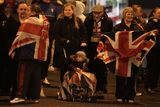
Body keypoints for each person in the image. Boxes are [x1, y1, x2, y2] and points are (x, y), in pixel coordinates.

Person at [9, 4, 49, 104]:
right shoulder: (45, 21)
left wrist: (12, 49)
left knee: (22, 74)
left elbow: (20, 36)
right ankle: (34, 96)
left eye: (28, 10)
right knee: (35, 76)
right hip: (40, 53)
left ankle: (20, 95)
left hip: (28, 52)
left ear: (32, 11)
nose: (27, 12)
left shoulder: (30, 21)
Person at [113, 6, 144, 103]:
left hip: (133, 55)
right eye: (128, 14)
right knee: (120, 76)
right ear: (124, 15)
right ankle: (120, 95)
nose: (130, 16)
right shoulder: (117, 27)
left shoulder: (138, 27)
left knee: (132, 76)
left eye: (131, 14)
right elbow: (113, 40)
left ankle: (130, 96)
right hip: (121, 55)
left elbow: (142, 39)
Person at [0, 2, 30, 97]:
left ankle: (17, 92)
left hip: (24, 52)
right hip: (10, 51)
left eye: (25, 9)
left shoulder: (30, 22)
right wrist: (10, 50)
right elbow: (4, 36)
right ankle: (5, 89)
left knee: (20, 73)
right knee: (9, 71)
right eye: (21, 9)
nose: (23, 11)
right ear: (17, 10)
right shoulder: (12, 20)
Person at [53, 2, 87, 83]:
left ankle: (73, 88)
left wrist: (83, 41)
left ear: (73, 11)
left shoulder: (78, 21)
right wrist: (64, 40)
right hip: (64, 49)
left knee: (76, 68)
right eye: (66, 10)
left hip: (76, 48)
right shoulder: (59, 21)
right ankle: (63, 88)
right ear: (63, 11)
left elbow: (84, 33)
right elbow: (55, 35)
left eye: (69, 10)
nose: (67, 11)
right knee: (65, 69)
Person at [84, 4, 113, 93]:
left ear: (103, 12)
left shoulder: (108, 21)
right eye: (94, 13)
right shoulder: (88, 19)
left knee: (101, 67)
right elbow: (85, 32)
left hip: (102, 45)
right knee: (90, 66)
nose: (96, 15)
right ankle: (91, 86)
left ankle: (101, 86)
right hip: (91, 45)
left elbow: (110, 33)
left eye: (99, 13)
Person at [144, 7, 160, 93]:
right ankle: (148, 86)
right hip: (152, 49)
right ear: (153, 13)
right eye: (158, 13)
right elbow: (146, 36)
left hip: (159, 48)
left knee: (157, 68)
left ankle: (153, 86)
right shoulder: (150, 24)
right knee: (151, 68)